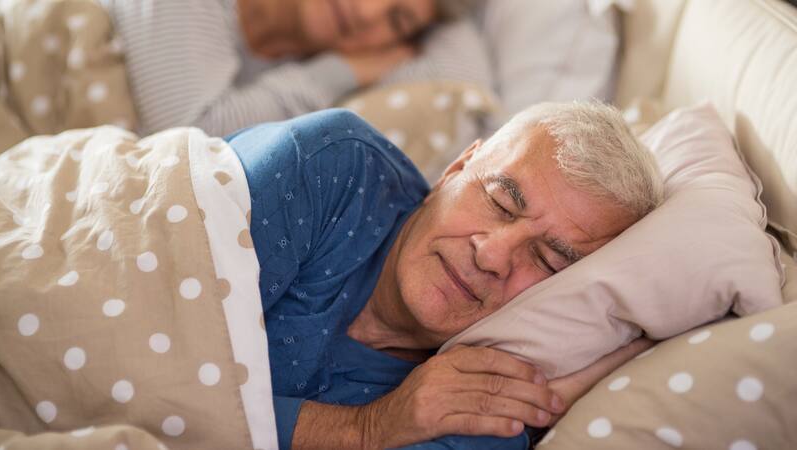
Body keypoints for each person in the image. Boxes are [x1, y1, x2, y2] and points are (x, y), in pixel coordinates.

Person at [224, 101, 663, 449]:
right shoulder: (332, 166)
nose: (492, 255)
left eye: (548, 261)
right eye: (499, 202)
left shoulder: (484, 401)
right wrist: (364, 430)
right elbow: (157, 366)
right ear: (457, 167)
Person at [99, 0, 488, 136]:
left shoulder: (294, 64)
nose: (368, 11)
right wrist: (343, 70)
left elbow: (468, 92)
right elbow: (194, 136)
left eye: (398, 19)